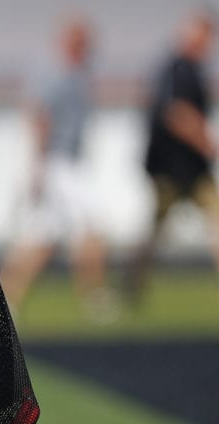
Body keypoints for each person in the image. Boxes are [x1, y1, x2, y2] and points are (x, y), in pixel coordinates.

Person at [0, 15, 116, 321]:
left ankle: (4, 295)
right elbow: (39, 118)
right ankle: (94, 295)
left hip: (67, 162)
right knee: (92, 226)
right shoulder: (55, 73)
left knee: (41, 237)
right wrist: (39, 166)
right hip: (59, 164)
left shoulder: (80, 73)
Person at [126, 9, 219, 303]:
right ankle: (133, 282)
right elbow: (177, 114)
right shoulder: (178, 69)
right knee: (155, 231)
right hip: (171, 168)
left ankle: (133, 281)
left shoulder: (190, 69)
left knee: (216, 219)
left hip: (193, 169)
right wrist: (206, 142)